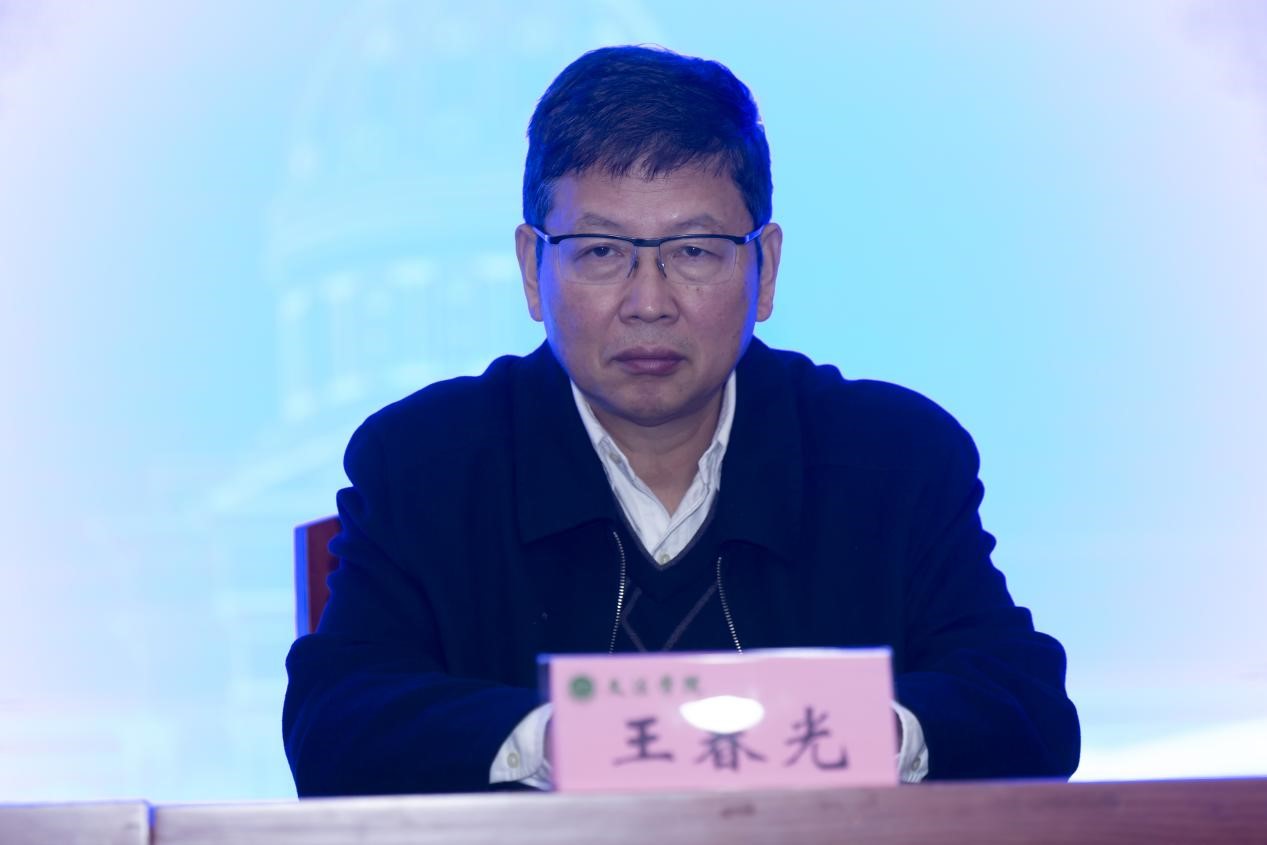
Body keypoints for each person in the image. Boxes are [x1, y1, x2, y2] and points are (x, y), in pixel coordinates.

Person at [282, 45, 1080, 796]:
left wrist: (852, 733)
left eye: (694, 251)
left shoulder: (892, 458)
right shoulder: (423, 463)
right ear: (532, 268)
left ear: (764, 266)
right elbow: (336, 724)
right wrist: (566, 742)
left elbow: (1026, 711)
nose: (648, 302)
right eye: (600, 251)